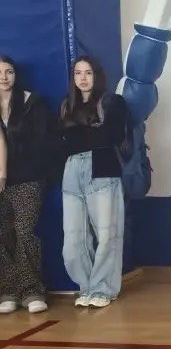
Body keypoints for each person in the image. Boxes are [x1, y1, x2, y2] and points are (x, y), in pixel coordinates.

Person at [59, 56, 128, 309]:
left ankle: (103, 289)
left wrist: (82, 134)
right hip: (71, 170)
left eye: (88, 72)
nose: (83, 78)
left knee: (107, 233)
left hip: (102, 166)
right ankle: (87, 287)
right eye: (78, 73)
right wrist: (89, 132)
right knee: (73, 238)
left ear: (97, 75)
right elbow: (64, 142)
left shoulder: (112, 102)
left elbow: (111, 136)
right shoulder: (67, 105)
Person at [0, 56, 55, 314]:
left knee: (23, 230)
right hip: (1, 180)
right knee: (3, 233)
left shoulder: (32, 103)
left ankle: (32, 290)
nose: (3, 77)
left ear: (16, 75)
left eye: (8, 71)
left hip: (27, 179)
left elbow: (42, 143)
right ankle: (9, 291)